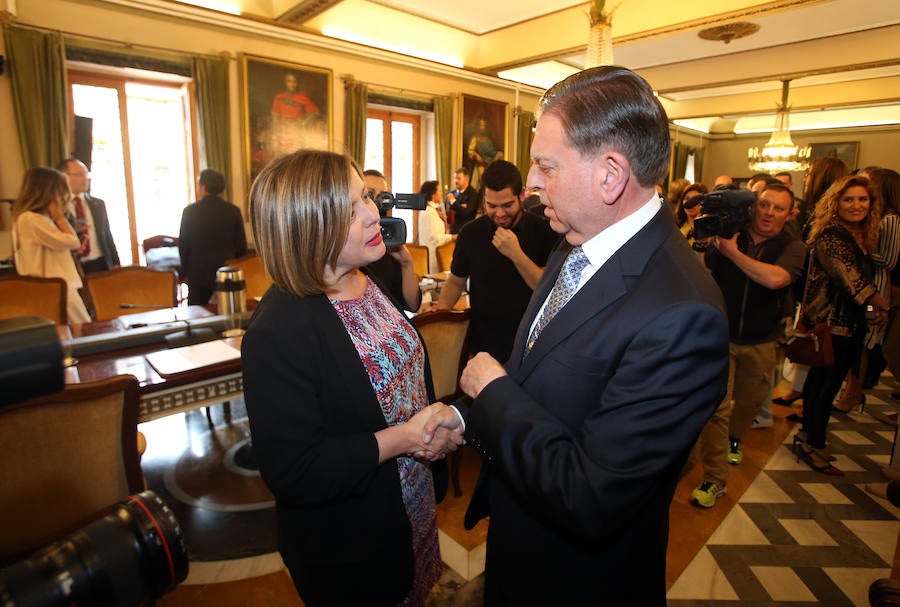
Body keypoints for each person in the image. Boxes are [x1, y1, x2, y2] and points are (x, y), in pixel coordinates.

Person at [425, 66, 730, 605]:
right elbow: (535, 381)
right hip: (522, 545)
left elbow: (591, 493)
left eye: (545, 166)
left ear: (610, 175)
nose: (532, 184)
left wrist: (491, 394)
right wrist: (462, 416)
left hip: (578, 579)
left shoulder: (682, 314)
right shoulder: (575, 241)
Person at [241, 149, 463, 607]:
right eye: (349, 209)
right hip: (354, 542)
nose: (372, 214)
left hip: (409, 508)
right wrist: (404, 439)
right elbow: (295, 472)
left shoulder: (365, 280)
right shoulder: (277, 332)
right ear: (306, 230)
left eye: (365, 196)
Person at [686, 183, 807, 508]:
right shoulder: (731, 233)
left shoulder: (792, 246)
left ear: (789, 213)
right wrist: (702, 244)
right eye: (764, 205)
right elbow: (702, 274)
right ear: (754, 206)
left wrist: (733, 254)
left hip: (761, 339)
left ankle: (735, 439)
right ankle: (715, 479)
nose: (768, 213)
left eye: (778, 208)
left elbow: (775, 279)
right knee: (718, 408)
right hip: (720, 338)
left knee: (750, 405)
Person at [796, 174, 889, 474]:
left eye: (863, 199)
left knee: (820, 384)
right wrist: (880, 304)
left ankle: (808, 438)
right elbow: (851, 281)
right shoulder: (832, 235)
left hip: (846, 323)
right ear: (836, 203)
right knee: (824, 387)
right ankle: (814, 444)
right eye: (849, 199)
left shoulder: (858, 234)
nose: (856, 205)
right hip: (832, 324)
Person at [434, 159, 558, 363]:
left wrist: (516, 254)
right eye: (492, 206)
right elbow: (455, 282)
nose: (500, 213)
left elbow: (546, 290)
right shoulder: (470, 233)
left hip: (531, 349)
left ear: (522, 195)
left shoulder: (545, 231)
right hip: (483, 348)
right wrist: (439, 319)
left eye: (507, 205)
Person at [834, 168, 900, 408]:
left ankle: (854, 392)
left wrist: (863, 248)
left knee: (866, 342)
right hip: (866, 286)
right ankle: (851, 391)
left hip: (877, 288)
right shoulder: (874, 218)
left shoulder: (890, 220)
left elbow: (890, 260)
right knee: (858, 342)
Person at [11, 167, 91, 324]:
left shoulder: (38, 218)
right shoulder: (31, 219)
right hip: (55, 286)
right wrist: (60, 218)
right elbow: (72, 241)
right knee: (83, 327)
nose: (63, 198)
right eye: (60, 192)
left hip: (56, 285)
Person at [178, 169, 248, 306]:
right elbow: (242, 247)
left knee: (197, 318)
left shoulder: (189, 212)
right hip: (226, 276)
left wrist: (184, 272)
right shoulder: (233, 211)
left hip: (198, 274)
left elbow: (183, 246)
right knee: (226, 314)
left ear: (203, 187)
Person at [361, 169, 421, 311]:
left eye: (383, 196)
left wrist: (407, 264)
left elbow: (413, 305)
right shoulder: (349, 250)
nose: (376, 202)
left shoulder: (389, 247)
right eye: (369, 195)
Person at [58, 158, 120, 274]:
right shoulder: (56, 206)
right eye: (79, 174)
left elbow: (106, 234)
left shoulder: (97, 204)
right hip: (72, 265)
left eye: (86, 174)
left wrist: (115, 262)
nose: (85, 178)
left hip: (99, 263)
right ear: (63, 176)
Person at [270, 72, 324, 155]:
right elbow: (275, 117)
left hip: (296, 132)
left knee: (295, 155)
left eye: (294, 82)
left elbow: (315, 113)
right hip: (282, 132)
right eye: (289, 81)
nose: (292, 84)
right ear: (285, 82)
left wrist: (303, 123)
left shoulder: (302, 97)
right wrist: (275, 134)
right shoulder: (278, 97)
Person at [416, 180, 453, 273]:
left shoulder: (434, 210)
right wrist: (452, 237)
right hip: (431, 253)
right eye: (439, 191)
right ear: (433, 194)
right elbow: (434, 237)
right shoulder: (429, 211)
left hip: (437, 251)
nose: (441, 193)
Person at [466, 116, 501, 190]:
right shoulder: (475, 138)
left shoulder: (489, 139)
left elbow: (492, 152)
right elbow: (470, 151)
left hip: (491, 163)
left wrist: (498, 155)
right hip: (481, 164)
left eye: (484, 125)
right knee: (482, 181)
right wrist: (476, 155)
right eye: (481, 125)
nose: (483, 127)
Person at [445, 166, 481, 234]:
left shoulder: (473, 194)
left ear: (466, 180)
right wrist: (460, 207)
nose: (455, 181)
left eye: (458, 178)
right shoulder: (451, 193)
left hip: (466, 232)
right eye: (455, 178)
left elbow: (466, 213)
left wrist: (453, 201)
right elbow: (446, 210)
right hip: (450, 232)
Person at [674, 182, 708, 247]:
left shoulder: (707, 228)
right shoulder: (675, 224)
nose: (690, 203)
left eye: (695, 199)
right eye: (687, 198)